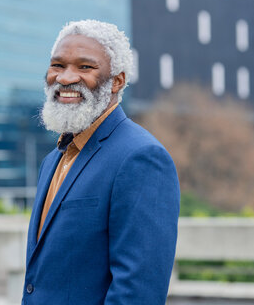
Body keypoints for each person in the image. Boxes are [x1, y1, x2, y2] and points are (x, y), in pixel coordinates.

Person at [22, 20, 180, 304]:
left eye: (85, 67)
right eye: (58, 65)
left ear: (117, 81)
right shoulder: (52, 160)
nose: (65, 78)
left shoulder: (141, 158)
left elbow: (138, 292)